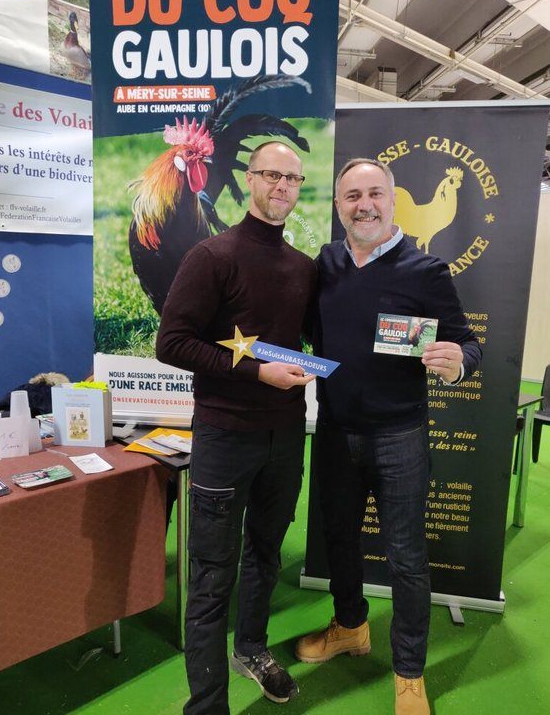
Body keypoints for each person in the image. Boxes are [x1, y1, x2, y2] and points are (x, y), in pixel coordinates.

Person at [295, 158, 482, 715]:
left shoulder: (425, 270)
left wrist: (458, 363)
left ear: (394, 199)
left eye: (374, 193)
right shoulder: (325, 262)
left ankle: (409, 672)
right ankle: (351, 626)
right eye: (352, 196)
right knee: (339, 540)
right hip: (334, 428)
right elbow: (313, 332)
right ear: (338, 206)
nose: (364, 205)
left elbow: (467, 344)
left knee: (406, 558)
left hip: (399, 434)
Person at [156, 141, 316, 715]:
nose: (281, 186)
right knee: (210, 576)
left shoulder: (302, 267)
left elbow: (322, 343)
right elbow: (170, 343)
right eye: (271, 174)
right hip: (224, 437)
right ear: (250, 179)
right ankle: (207, 705)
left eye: (292, 178)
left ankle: (251, 649)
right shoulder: (211, 256)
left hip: (285, 438)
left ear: (300, 187)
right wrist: (255, 371)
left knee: (267, 555)